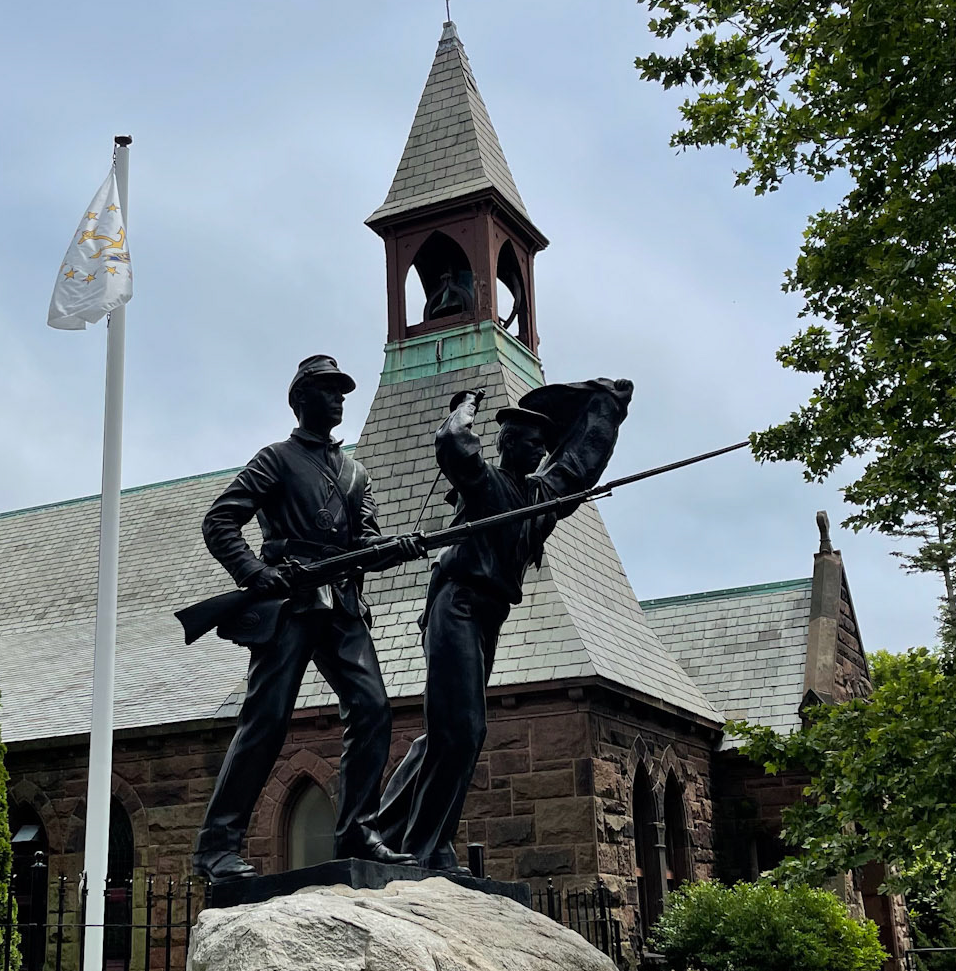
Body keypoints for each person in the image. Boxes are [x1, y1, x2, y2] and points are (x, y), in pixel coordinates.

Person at [372, 377, 633, 870]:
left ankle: (387, 831)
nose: (540, 453)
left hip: (488, 616)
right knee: (464, 729)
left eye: (543, 447)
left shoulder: (539, 498)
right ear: (509, 443)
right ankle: (425, 848)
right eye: (532, 444)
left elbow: (580, 466)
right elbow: (452, 443)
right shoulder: (484, 482)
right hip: (457, 606)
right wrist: (466, 402)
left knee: (446, 732)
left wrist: (607, 410)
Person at [192, 354, 422, 881]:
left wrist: (397, 547)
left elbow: (364, 542)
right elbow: (220, 521)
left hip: (341, 603)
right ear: (300, 400)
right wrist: (254, 572)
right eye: (326, 389)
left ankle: (358, 832)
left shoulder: (355, 472)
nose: (338, 397)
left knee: (373, 710)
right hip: (291, 600)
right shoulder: (275, 459)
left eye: (341, 389)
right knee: (266, 721)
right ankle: (216, 847)